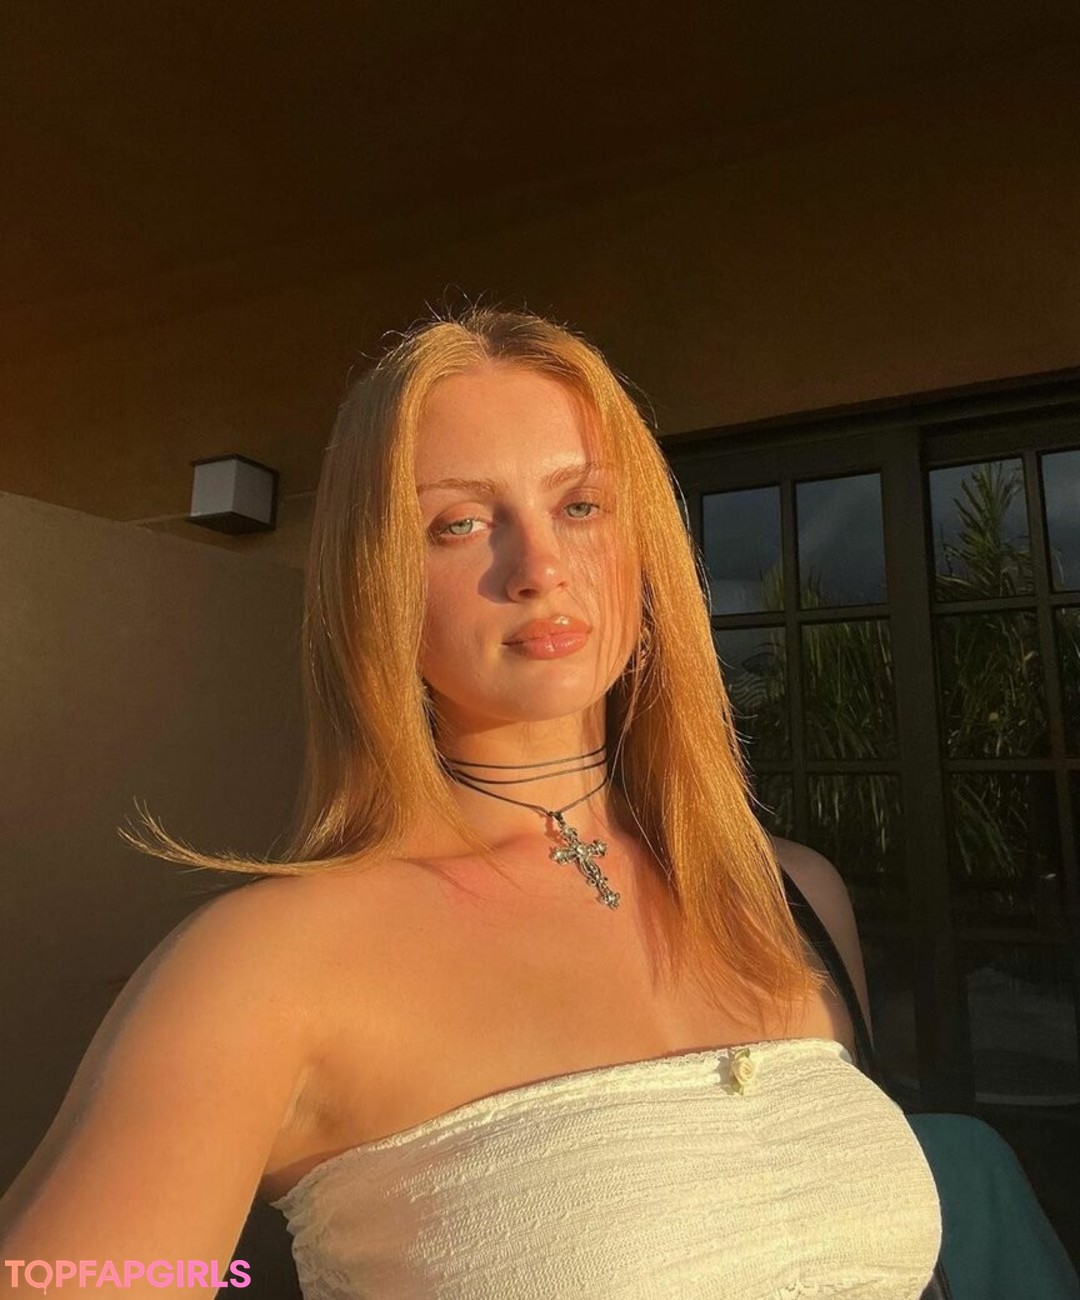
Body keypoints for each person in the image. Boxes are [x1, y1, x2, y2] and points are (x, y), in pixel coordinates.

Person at [0, 308, 942, 1297]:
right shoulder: (266, 966)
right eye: (458, 523)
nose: (540, 568)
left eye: (582, 504)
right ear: (375, 584)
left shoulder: (787, 896)